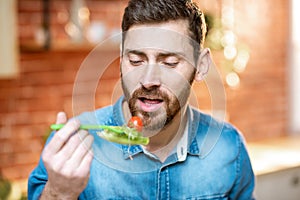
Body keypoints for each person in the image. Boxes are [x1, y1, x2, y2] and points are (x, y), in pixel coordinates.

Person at [28, 0, 255, 199]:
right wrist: (59, 193)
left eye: (169, 63)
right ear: (121, 58)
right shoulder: (72, 146)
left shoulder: (228, 146)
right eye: (136, 60)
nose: (148, 80)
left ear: (201, 66)